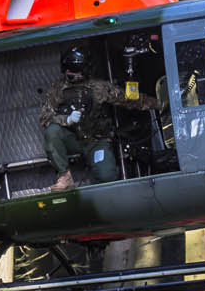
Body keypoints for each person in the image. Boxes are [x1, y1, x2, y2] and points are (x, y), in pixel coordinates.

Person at [39, 44, 153, 191]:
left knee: (107, 176)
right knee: (52, 131)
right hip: (73, 139)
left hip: (96, 141)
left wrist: (158, 103)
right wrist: (65, 120)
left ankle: (93, 197)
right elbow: (44, 117)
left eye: (74, 70)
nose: (70, 73)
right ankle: (65, 177)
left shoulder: (99, 88)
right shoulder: (58, 89)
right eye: (67, 69)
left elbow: (129, 100)